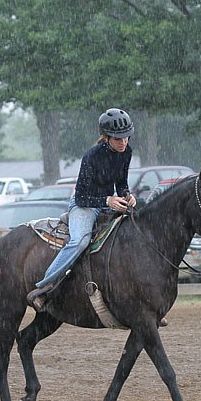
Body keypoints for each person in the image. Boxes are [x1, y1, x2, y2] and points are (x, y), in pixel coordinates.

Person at [27, 108, 137, 312]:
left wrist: (127, 195)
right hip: (84, 206)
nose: (123, 143)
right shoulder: (91, 157)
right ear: (106, 137)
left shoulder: (126, 152)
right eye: (118, 139)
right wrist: (108, 201)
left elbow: (121, 182)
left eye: (126, 138)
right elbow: (81, 197)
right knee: (80, 241)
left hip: (107, 203)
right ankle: (43, 288)